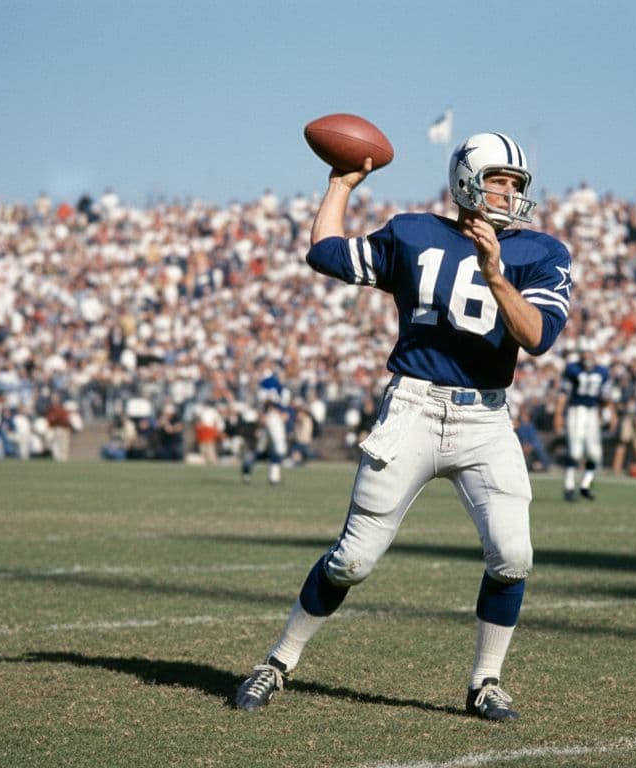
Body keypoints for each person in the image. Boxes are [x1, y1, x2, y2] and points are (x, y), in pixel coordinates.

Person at [234, 132, 572, 721]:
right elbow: (326, 252)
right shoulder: (415, 233)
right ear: (467, 179)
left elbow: (538, 337)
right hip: (412, 408)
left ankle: (485, 682)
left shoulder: (541, 252)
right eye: (499, 180)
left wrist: (496, 274)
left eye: (517, 185)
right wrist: (340, 183)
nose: (510, 193)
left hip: (486, 416)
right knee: (352, 561)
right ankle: (277, 662)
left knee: (513, 556)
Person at [555, 341, 609, 501]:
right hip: (576, 411)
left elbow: (605, 397)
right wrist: (558, 414)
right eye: (584, 352)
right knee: (575, 451)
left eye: (589, 352)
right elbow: (564, 393)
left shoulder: (602, 371)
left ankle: (585, 484)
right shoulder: (572, 369)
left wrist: (608, 412)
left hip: (592, 412)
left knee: (595, 453)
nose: (587, 356)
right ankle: (569, 486)